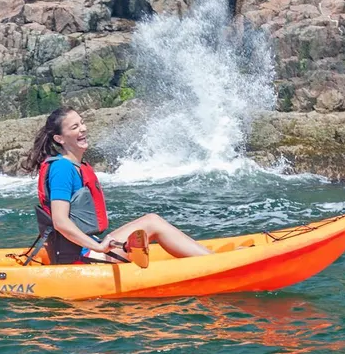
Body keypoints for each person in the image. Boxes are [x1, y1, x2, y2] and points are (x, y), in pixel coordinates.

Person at [22, 106, 211, 265]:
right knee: (152, 222)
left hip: (86, 248)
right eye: (75, 127)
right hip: (79, 257)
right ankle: (213, 264)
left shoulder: (74, 166)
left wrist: (98, 243)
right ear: (60, 139)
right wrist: (98, 247)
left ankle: (209, 258)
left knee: (151, 221)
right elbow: (60, 222)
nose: (83, 129)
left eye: (82, 122)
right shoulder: (62, 168)